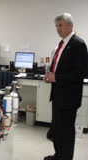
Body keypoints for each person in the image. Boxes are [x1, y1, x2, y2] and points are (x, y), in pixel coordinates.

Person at [43, 13, 88, 160]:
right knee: (57, 129)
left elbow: (81, 72)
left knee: (66, 131)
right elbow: (59, 68)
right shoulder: (61, 45)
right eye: (56, 26)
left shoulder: (78, 44)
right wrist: (51, 76)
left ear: (70, 25)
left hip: (69, 97)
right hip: (57, 95)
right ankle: (58, 155)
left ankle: (65, 157)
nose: (58, 29)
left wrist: (58, 77)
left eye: (61, 25)